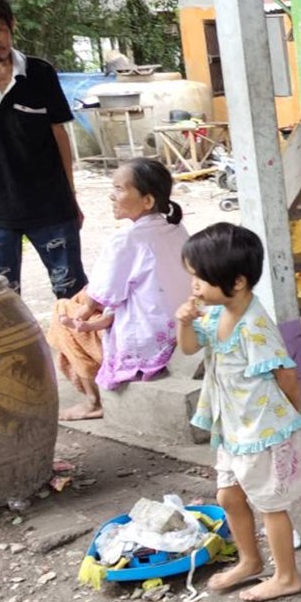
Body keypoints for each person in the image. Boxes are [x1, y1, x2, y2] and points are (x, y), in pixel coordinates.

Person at [176, 222, 301, 602]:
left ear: (236, 282)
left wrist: (291, 416)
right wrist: (183, 322)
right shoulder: (216, 314)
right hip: (234, 428)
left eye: (200, 278)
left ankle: (286, 575)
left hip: (261, 430)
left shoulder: (254, 326)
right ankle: (250, 561)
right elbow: (189, 349)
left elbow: (286, 374)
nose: (194, 286)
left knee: (270, 504)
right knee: (229, 496)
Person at [46, 159, 189, 420]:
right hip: (181, 328)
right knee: (84, 298)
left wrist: (85, 312)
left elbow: (98, 298)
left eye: (120, 189)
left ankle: (93, 401)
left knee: (62, 315)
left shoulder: (125, 239)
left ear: (147, 201)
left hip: (149, 341)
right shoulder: (176, 227)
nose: (112, 195)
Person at [0, 0, 85, 298]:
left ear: (12, 26)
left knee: (72, 292)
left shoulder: (39, 72)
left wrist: (71, 194)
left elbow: (58, 135)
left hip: (50, 205)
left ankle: (74, 348)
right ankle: (16, 350)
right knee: (1, 299)